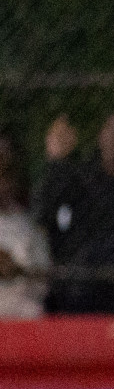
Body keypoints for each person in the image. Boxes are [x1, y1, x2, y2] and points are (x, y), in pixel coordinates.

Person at [32, 111, 114, 313]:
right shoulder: (79, 177)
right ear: (102, 135)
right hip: (78, 289)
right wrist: (56, 162)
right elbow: (43, 213)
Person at [0, 133, 50, 318]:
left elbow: (43, 283)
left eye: (6, 172)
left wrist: (18, 269)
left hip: (21, 316)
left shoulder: (28, 226)